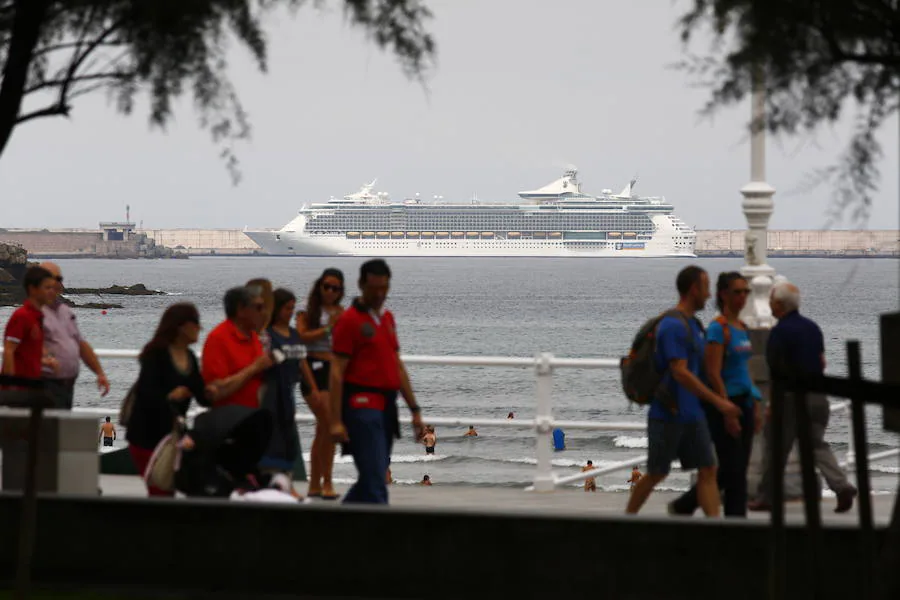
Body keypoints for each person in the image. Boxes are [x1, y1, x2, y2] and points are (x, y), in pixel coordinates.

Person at [625, 265, 741, 517]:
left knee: (708, 470)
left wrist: (719, 402)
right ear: (693, 289)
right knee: (657, 472)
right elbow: (680, 372)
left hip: (694, 415)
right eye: (706, 288)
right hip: (668, 413)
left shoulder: (695, 325)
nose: (710, 295)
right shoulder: (673, 326)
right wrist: (719, 403)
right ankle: (627, 520)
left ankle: (717, 531)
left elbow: (702, 371)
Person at [749, 282, 858, 513]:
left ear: (779, 305)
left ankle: (766, 496)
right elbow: (821, 361)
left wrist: (772, 403)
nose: (769, 304)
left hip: (790, 398)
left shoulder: (779, 331)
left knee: (775, 447)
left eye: (771, 300)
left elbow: (776, 370)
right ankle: (841, 486)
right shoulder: (812, 328)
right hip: (817, 396)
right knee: (816, 445)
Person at [330, 259, 425, 505]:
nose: (380, 295)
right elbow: (336, 372)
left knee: (374, 477)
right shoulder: (349, 321)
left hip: (386, 407)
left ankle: (330, 528)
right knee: (374, 481)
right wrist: (335, 420)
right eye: (374, 289)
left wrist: (414, 410)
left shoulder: (387, 319)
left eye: (385, 288)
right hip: (361, 406)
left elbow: (397, 365)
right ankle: (382, 537)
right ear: (361, 285)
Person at [669, 272, 762, 517]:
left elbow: (744, 370)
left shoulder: (742, 327)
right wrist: (725, 408)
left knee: (736, 469)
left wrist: (756, 402)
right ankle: (735, 524)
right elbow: (713, 373)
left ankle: (685, 505)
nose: (742, 297)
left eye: (746, 292)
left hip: (745, 402)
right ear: (723, 295)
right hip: (724, 403)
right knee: (734, 472)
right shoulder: (718, 329)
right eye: (737, 292)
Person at [126, 304, 215, 497]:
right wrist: (170, 396)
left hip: (172, 436)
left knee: (168, 489)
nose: (200, 328)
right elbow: (145, 393)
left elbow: (201, 396)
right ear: (181, 326)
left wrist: (214, 390)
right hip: (147, 435)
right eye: (196, 323)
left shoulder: (190, 357)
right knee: (160, 489)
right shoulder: (156, 354)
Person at [260, 288, 319, 495]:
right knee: (273, 439)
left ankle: (288, 483)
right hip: (270, 393)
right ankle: (274, 484)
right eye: (287, 308)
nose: (290, 313)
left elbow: (302, 363)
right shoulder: (267, 336)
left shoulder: (294, 334)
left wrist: (313, 389)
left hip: (288, 392)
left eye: (293, 308)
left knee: (288, 439)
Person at [296, 267, 345, 499]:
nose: (331, 292)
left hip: (334, 371)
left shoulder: (341, 312)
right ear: (319, 287)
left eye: (336, 288)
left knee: (324, 429)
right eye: (327, 286)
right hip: (313, 369)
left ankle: (317, 482)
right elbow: (300, 338)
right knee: (327, 425)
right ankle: (325, 482)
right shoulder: (306, 313)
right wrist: (328, 328)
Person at [38, 262, 110, 409]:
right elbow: (17, 349)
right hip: (41, 386)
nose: (55, 283)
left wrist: (99, 372)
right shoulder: (29, 314)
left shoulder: (65, 311)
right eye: (49, 278)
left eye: (58, 279)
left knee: (59, 428)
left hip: (65, 385)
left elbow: (80, 343)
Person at [202, 286, 273, 408]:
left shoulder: (253, 337)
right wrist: (254, 368)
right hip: (232, 420)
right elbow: (216, 390)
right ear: (241, 310)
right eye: (258, 308)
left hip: (256, 416)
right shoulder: (218, 338)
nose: (264, 312)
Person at [2, 266, 57, 381]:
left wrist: (46, 362)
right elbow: (9, 351)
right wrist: (11, 387)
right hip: (20, 390)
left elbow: (26, 354)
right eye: (47, 288)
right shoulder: (22, 316)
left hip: (34, 388)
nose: (52, 292)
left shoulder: (39, 317)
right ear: (33, 289)